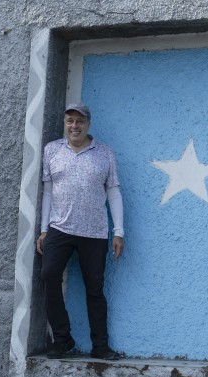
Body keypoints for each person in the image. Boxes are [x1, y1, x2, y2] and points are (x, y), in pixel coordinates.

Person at [37, 102, 124, 360]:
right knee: (49, 275)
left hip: (94, 232)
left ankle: (100, 346)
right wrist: (44, 230)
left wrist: (118, 231)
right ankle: (63, 340)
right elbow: (48, 193)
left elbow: (114, 193)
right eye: (69, 121)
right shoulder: (52, 150)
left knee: (94, 289)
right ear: (65, 124)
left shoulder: (104, 154)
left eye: (79, 121)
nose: (74, 126)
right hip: (59, 229)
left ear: (88, 124)